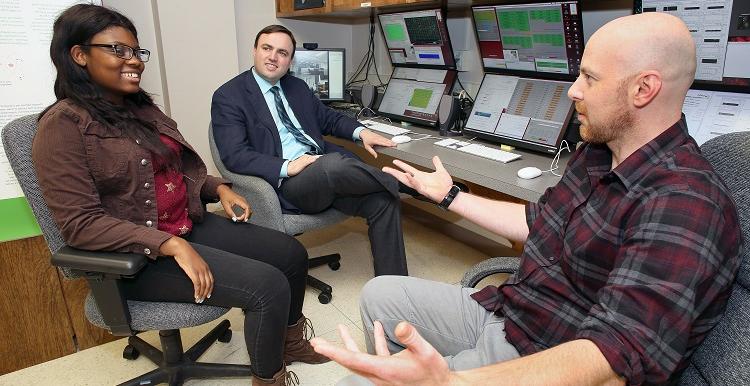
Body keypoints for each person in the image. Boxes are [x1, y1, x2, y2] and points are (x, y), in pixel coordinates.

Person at [310, 13, 743, 385]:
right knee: (379, 295)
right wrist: (450, 196)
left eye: (589, 78)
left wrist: (452, 380)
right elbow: (540, 220)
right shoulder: (597, 155)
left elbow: (613, 362)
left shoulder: (685, 204)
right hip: (514, 309)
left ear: (643, 89)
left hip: (549, 353)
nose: (573, 90)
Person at [33, 5, 326, 385]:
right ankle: (268, 379)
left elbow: (170, 172)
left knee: (291, 254)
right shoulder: (62, 126)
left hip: (181, 225)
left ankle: (288, 343)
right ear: (79, 54)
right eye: (117, 50)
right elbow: (80, 225)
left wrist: (217, 187)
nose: (134, 61)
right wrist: (170, 245)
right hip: (136, 255)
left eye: (136, 52)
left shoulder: (139, 108)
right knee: (267, 286)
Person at [211, 25, 408, 277]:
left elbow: (329, 118)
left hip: (327, 175)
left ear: (290, 60)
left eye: (282, 52)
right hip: (289, 184)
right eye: (267, 48)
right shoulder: (230, 95)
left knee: (383, 201)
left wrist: (362, 132)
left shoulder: (296, 87)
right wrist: (287, 167)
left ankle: (394, 288)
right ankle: (408, 185)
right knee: (331, 164)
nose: (273, 57)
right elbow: (234, 154)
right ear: (255, 51)